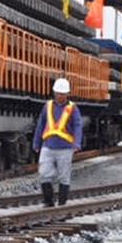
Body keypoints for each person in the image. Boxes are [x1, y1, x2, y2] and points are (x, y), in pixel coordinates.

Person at [32, 78, 82, 207]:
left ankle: (61, 204)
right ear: (54, 93)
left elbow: (77, 126)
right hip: (48, 146)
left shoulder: (72, 108)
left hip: (65, 148)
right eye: (58, 93)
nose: (60, 96)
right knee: (44, 174)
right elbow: (41, 124)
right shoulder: (47, 106)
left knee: (64, 176)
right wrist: (36, 143)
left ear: (67, 94)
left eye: (63, 93)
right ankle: (48, 202)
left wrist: (77, 143)